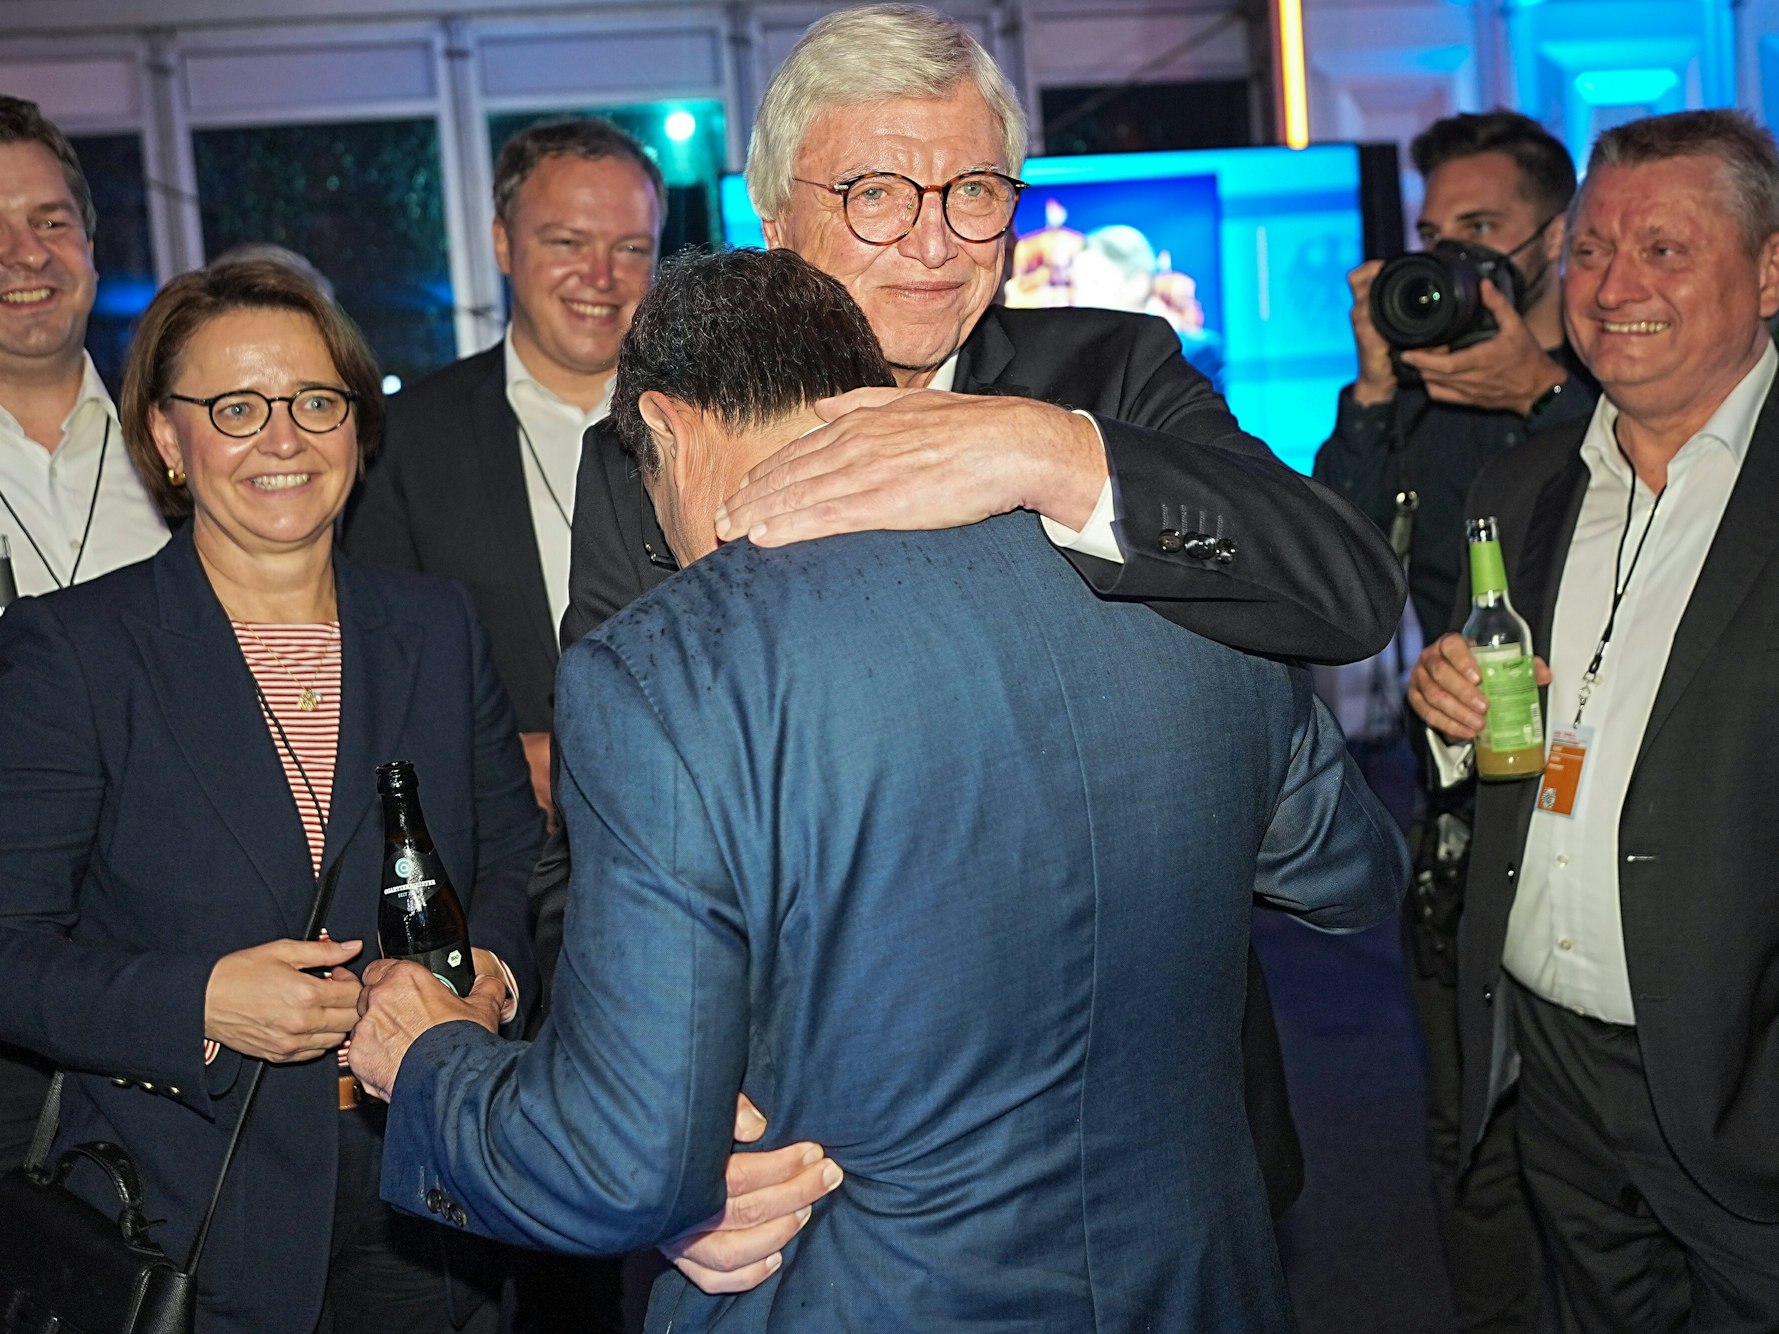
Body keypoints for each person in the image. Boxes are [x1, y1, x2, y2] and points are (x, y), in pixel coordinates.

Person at [349, 246, 1408, 1331]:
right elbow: (1349, 873)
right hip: (1199, 1285)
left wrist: (430, 1059)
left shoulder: (664, 669)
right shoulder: (1182, 589)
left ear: (663, 426)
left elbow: (617, 1165)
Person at [544, 2, 1408, 1221]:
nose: (935, 242)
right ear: (774, 219)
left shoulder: (1108, 377)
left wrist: (1047, 453)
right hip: (830, 1160)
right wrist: (690, 1140)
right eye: (877, 195)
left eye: (975, 192)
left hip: (1148, 1133)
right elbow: (608, 820)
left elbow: (1348, 589)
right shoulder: (662, 445)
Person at [0, 260, 832, 1333]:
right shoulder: (73, 650)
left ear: (356, 421)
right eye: (237, 408)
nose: (284, 438)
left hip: (430, 1209)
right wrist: (197, 999)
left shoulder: (435, 627)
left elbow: (516, 857)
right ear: (167, 436)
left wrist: (494, 975)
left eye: (316, 402)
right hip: (185, 1215)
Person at [1407, 109, 1779, 1332]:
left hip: (1742, 1079)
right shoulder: (1522, 484)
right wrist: (1451, 713)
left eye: (1664, 250)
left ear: (1769, 270)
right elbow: (1503, 733)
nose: (1614, 288)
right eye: (1593, 250)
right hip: (1550, 1070)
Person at [1312, 109, 1595, 1334]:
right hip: (1462, 828)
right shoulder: (1418, 404)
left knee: (1614, 1135)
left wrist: (1543, 392)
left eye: (1482, 229)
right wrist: (1378, 389)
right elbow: (1331, 585)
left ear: (1555, 236)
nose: (1455, 259)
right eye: (1436, 234)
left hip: (1610, 820)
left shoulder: (1619, 382)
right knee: (1469, 1136)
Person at [343, 118, 664, 822]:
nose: (601, 277)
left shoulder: (719, 421)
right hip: (505, 848)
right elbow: (375, 674)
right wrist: (492, 759)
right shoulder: (402, 443)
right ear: (501, 244)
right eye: (567, 242)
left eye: (631, 248)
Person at [0, 94, 169, 1173]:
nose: (25, 254)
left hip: (190, 978)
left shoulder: (188, 451)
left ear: (92, 247)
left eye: (50, 220)